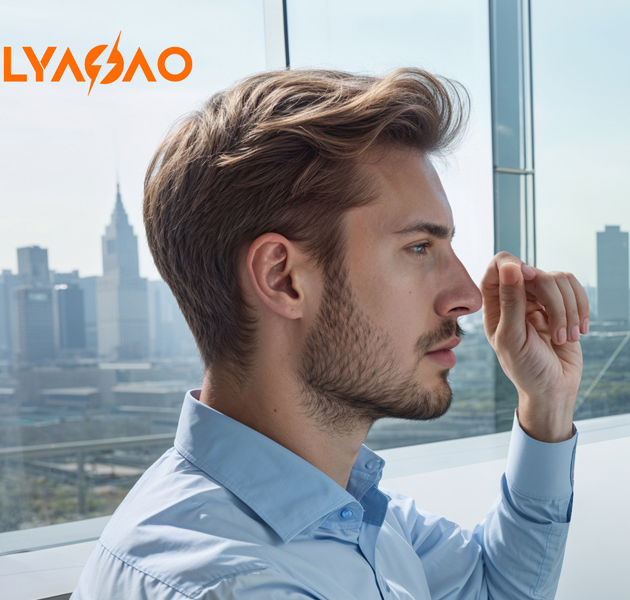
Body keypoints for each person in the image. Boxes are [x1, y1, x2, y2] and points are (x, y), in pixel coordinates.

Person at [72, 68, 587, 599]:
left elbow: (491, 590)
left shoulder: (344, 506)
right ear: (283, 279)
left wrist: (546, 405)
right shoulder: (234, 585)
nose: (469, 297)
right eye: (419, 248)